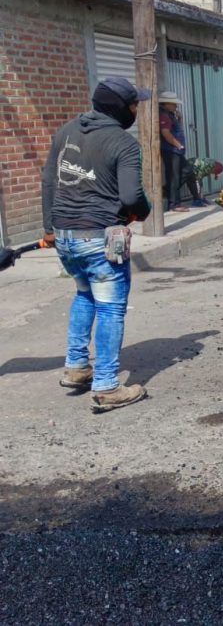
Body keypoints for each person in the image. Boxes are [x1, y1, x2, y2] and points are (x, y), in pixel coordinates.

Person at [40, 77, 153, 412]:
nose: (136, 109)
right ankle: (106, 386)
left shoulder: (66, 131)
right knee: (110, 307)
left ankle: (76, 368)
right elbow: (132, 195)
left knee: (84, 294)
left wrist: (49, 227)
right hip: (99, 237)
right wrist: (141, 212)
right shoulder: (123, 142)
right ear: (121, 107)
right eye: (135, 104)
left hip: (65, 238)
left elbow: (48, 179)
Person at [158, 91, 206, 212]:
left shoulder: (170, 114)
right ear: (167, 103)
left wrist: (179, 119)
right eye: (174, 104)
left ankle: (171, 192)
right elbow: (165, 133)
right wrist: (178, 145)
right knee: (174, 176)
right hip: (171, 150)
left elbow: (174, 129)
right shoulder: (164, 115)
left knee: (187, 171)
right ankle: (174, 204)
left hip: (176, 151)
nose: (176, 106)